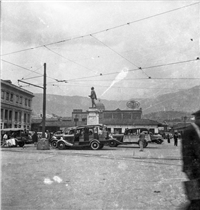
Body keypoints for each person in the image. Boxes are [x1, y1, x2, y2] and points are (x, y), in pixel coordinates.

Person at [181, 110, 200, 210]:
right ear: (197, 119)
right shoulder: (189, 131)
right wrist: (189, 170)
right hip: (194, 170)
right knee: (195, 198)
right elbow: (186, 152)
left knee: (196, 198)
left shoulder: (198, 130)